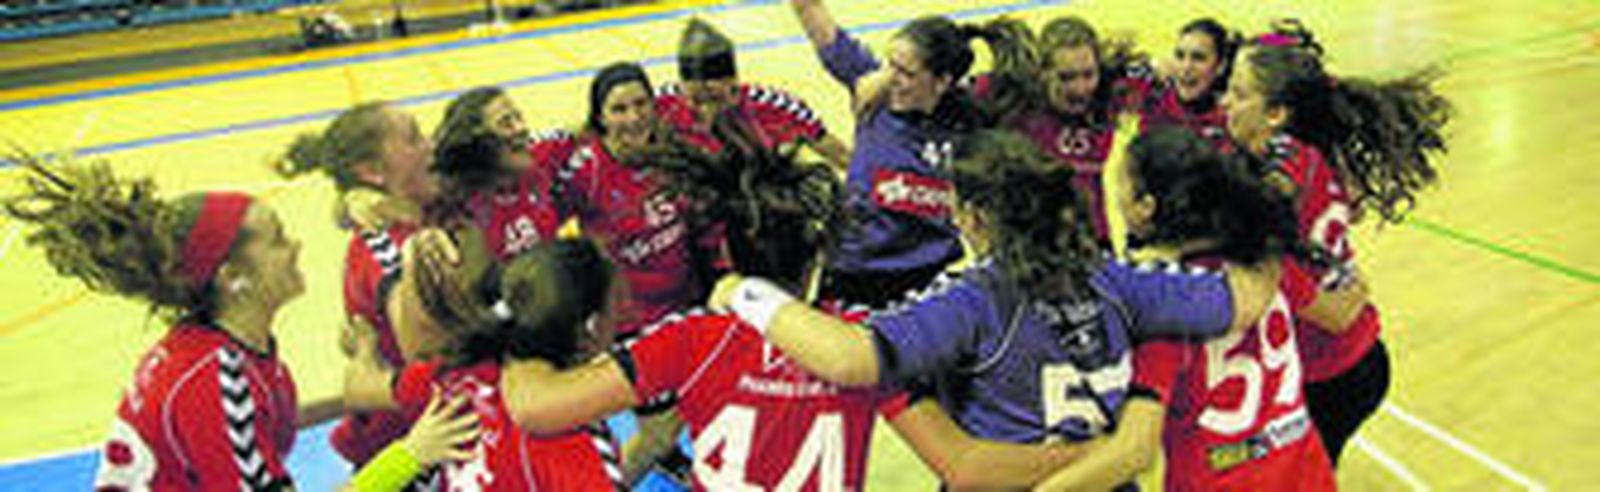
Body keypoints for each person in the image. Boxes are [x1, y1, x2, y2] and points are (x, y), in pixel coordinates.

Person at [474, 118, 1100, 490]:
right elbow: (962, 465)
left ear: (733, 253)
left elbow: (536, 407)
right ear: (814, 261)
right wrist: (1091, 455)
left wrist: (510, 319)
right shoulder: (863, 343)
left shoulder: (692, 337)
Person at [708, 129, 1299, 489]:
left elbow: (850, 357)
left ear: (971, 217)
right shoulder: (1123, 280)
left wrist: (743, 291)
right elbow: (1248, 298)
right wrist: (1267, 212)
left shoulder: (972, 299)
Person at [1036, 127, 1370, 490]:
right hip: (1305, 474)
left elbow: (1135, 450)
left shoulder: (1165, 308)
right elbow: (1339, 316)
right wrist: (1356, 282)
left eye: (1122, 188)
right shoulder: (1264, 263)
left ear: (1145, 208)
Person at [1223, 21, 1450, 464]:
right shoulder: (1309, 153)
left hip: (1338, 370)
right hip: (1339, 355)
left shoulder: (1286, 161)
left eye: (1238, 93)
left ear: (1276, 114)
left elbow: (1275, 196)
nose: (1225, 104)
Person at [4, 156, 304, 490]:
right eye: (278, 239)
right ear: (232, 277)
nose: (296, 247)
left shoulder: (211, 348)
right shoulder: (217, 379)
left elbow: (254, 424)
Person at [343, 229, 627, 490]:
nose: (625, 312)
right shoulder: (579, 442)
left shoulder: (459, 374)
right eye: (618, 305)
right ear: (591, 329)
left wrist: (365, 346)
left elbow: (358, 389)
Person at [789, 0, 1025, 307]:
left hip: (928, 276)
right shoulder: (873, 93)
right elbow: (812, 13)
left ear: (942, 82)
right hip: (854, 272)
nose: (890, 78)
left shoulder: (970, 119)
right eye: (889, 65)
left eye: (905, 72)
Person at [277, 101, 441, 467]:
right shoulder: (384, 250)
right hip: (411, 443)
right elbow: (426, 353)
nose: (431, 145)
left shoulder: (429, 210)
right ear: (371, 171)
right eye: (414, 138)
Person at [659, 18, 851, 169]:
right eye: (696, 101)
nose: (706, 112)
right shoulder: (661, 103)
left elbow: (841, 156)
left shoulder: (777, 107)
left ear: (733, 81)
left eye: (714, 100)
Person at [1139, 18, 1240, 148]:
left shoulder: (1230, 121)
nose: (1186, 67)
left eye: (1198, 58)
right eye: (1180, 56)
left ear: (1220, 66)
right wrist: (1150, 67)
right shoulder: (1155, 99)